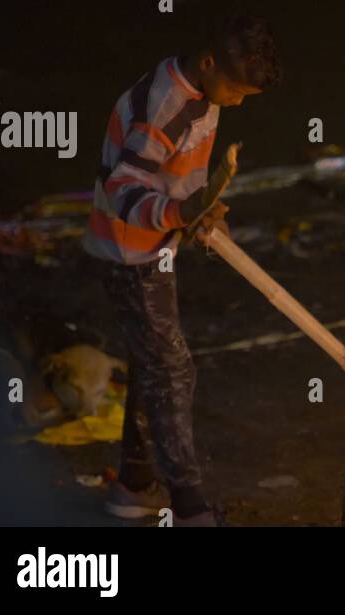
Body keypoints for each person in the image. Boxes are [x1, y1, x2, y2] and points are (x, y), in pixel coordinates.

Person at [82, 16, 281, 526]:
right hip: (132, 252)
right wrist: (179, 215)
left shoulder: (202, 94)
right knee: (171, 371)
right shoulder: (166, 108)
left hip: (153, 244)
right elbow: (124, 189)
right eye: (235, 90)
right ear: (210, 62)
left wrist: (201, 211)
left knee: (152, 366)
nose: (237, 102)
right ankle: (189, 506)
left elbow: (177, 182)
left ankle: (134, 484)